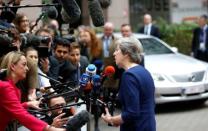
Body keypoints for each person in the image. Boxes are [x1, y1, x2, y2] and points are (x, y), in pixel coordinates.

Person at [0, 51, 66, 130]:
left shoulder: (12, 88)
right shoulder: (5, 87)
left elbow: (11, 109)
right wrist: (50, 129)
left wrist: (27, 104)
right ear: (13, 66)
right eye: (24, 65)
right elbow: (21, 114)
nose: (27, 69)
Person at [101, 37, 156, 131]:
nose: (114, 54)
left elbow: (132, 113)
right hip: (148, 125)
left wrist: (111, 120)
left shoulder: (129, 76)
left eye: (117, 50)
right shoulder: (144, 71)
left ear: (126, 53)